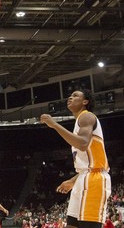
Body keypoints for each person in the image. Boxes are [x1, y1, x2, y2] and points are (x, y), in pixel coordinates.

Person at [40, 89, 111, 228]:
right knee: (72, 225)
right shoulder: (79, 122)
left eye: (75, 96)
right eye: (70, 95)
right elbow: (86, 161)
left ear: (85, 102)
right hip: (83, 177)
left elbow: (83, 144)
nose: (70, 97)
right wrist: (73, 181)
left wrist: (54, 125)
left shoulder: (87, 116)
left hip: (95, 179)